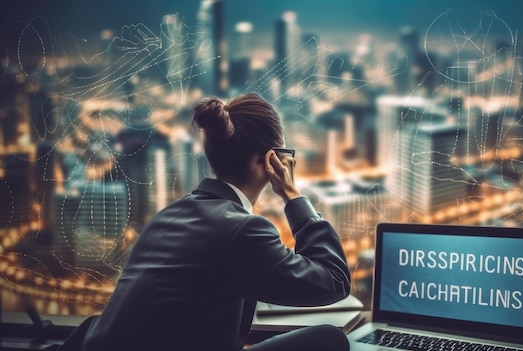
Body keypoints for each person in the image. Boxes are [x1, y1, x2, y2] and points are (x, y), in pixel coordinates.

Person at [78, 93, 352, 351]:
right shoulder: (243, 229)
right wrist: (293, 195)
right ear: (272, 160)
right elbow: (334, 281)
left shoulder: (167, 216)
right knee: (330, 339)